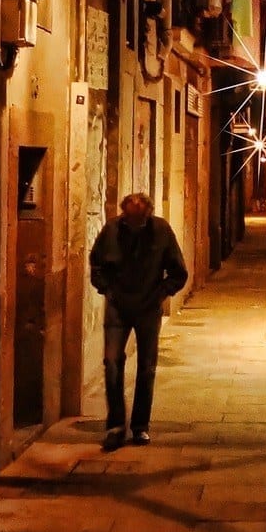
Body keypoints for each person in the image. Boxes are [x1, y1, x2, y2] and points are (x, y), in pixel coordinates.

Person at [89, 192, 188, 450]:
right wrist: (106, 289)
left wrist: (162, 293)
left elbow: (179, 271)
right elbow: (96, 264)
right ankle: (116, 425)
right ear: (124, 216)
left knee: (146, 367)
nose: (134, 226)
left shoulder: (161, 231)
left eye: (139, 222)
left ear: (148, 215)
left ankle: (140, 426)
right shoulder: (111, 231)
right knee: (112, 363)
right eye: (130, 220)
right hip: (118, 308)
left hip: (147, 308)